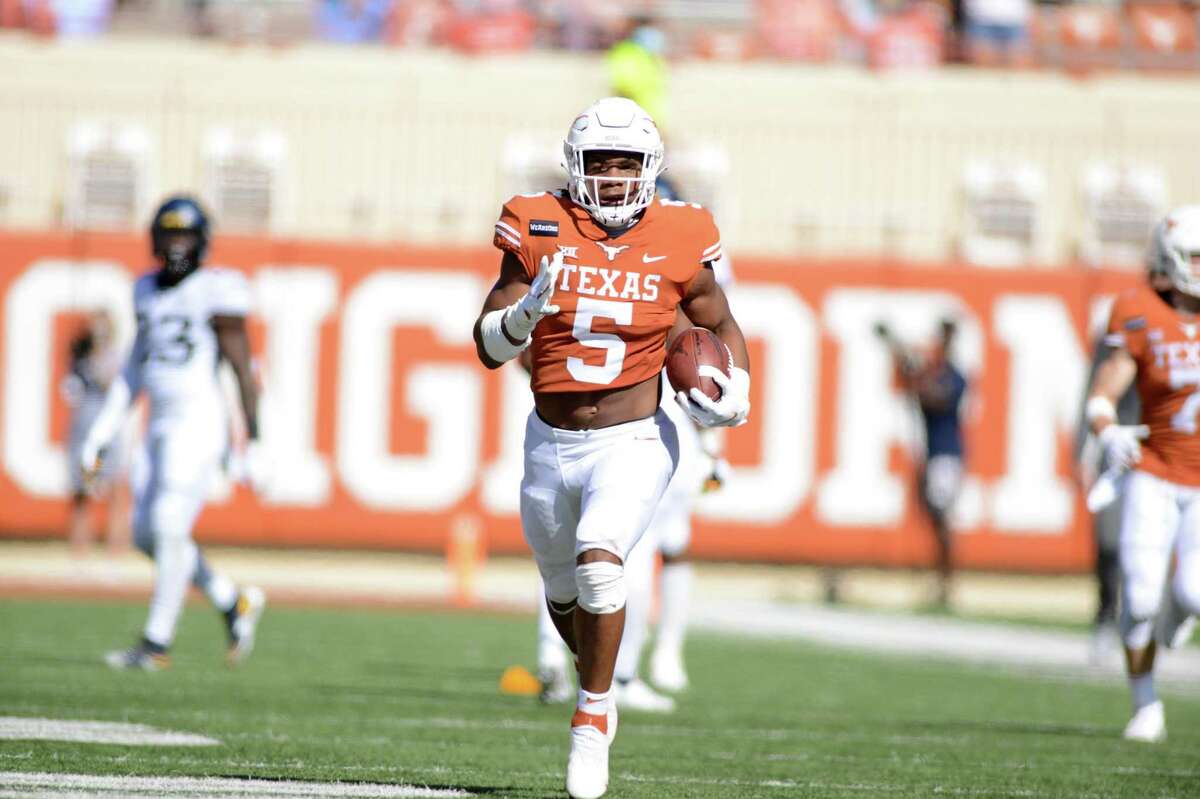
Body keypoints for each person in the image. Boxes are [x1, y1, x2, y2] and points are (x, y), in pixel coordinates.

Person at [473, 96, 750, 799]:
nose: (617, 177)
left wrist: (737, 389)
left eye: (629, 164)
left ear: (651, 168)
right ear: (577, 166)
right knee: (564, 592)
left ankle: (591, 716)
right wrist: (522, 318)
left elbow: (718, 320)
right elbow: (485, 342)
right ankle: (600, 680)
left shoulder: (682, 232)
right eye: (603, 163)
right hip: (550, 441)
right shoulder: (538, 222)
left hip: (634, 437)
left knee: (601, 565)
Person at [79, 195, 269, 671]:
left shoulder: (217, 290)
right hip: (158, 423)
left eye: (186, 235)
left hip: (199, 422)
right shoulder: (144, 290)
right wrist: (102, 430)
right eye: (170, 234)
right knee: (149, 535)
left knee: (168, 527)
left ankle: (156, 644)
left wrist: (256, 440)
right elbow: (133, 369)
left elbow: (243, 369)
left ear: (203, 241)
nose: (177, 245)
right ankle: (231, 601)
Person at [1085, 206, 1200, 743]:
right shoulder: (1138, 311)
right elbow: (1104, 393)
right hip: (1153, 472)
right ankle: (1145, 701)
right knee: (1142, 597)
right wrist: (1107, 431)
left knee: (1193, 594)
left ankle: (1181, 610)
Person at [1076, 257, 1173, 663]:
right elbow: (1096, 387)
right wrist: (1088, 444)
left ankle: (1153, 622)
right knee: (1110, 542)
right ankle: (1105, 617)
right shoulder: (1127, 322)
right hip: (1121, 444)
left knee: (1161, 544)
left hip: (1165, 449)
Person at [876, 318, 967, 608]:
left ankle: (947, 582)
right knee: (932, 516)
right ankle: (939, 579)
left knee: (942, 519)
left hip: (946, 456)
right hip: (933, 455)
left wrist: (915, 377)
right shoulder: (933, 371)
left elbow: (934, 397)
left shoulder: (955, 376)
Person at [63, 310, 132, 560]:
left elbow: (110, 382)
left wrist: (99, 355)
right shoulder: (79, 358)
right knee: (81, 489)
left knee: (114, 487)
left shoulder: (115, 356)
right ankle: (79, 550)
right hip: (83, 427)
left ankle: (116, 550)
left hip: (107, 428)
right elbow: (71, 390)